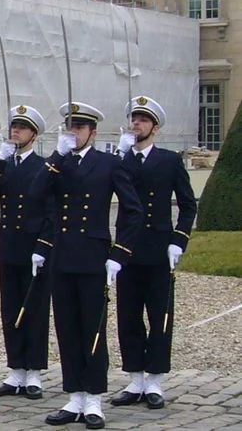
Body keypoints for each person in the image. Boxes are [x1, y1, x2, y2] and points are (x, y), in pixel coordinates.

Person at [34, 102, 142, 429]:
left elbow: (133, 210)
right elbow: (36, 194)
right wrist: (55, 157)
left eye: (80, 127)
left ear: (93, 132)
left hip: (94, 256)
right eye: (70, 126)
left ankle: (94, 396)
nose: (74, 132)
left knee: (92, 328)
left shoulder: (108, 164)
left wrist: (119, 253)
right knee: (67, 327)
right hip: (63, 255)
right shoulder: (59, 164)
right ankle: (74, 395)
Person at [109, 96, 197, 411]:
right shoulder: (119, 161)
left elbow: (188, 204)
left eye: (143, 120)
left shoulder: (170, 161)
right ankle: (135, 379)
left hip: (159, 250)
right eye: (134, 119)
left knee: (159, 316)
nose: (136, 124)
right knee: (128, 315)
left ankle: (155, 381)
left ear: (155, 128)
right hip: (127, 250)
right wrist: (118, 156)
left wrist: (179, 239)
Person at [0, 106, 54, 400]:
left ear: (34, 134)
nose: (15, 131)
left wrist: (44, 245)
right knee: (10, 308)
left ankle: (34, 372)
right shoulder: (6, 164)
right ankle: (16, 370)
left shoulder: (44, 165)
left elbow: (52, 210)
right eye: (13, 126)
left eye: (22, 128)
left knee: (35, 309)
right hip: (10, 245)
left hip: (34, 246)